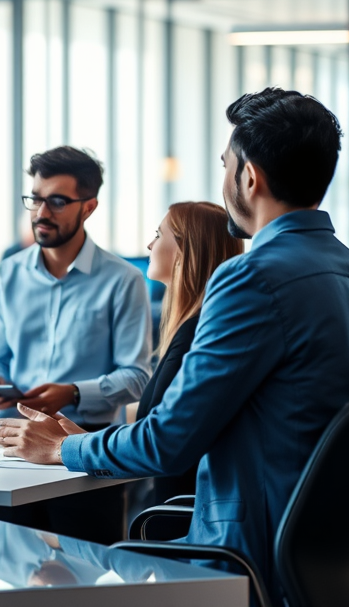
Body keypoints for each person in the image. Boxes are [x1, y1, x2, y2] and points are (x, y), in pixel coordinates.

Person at [0, 88, 349, 599]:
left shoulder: (251, 278)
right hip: (339, 561)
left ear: (249, 177)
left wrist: (63, 448)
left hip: (245, 562)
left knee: (47, 561)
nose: (224, 177)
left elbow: (167, 442)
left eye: (226, 164)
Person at [0, 145, 152, 543]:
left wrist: (71, 393)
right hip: (12, 444)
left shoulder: (123, 281)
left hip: (85, 449)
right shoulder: (7, 274)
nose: (40, 212)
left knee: (88, 577)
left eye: (56, 201)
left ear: (88, 207)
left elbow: (138, 376)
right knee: (10, 575)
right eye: (35, 198)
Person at [137, 201, 243, 505]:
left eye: (158, 235)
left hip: (178, 520)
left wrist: (72, 444)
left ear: (185, 250)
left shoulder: (195, 335)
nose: (149, 244)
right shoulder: (201, 327)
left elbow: (158, 441)